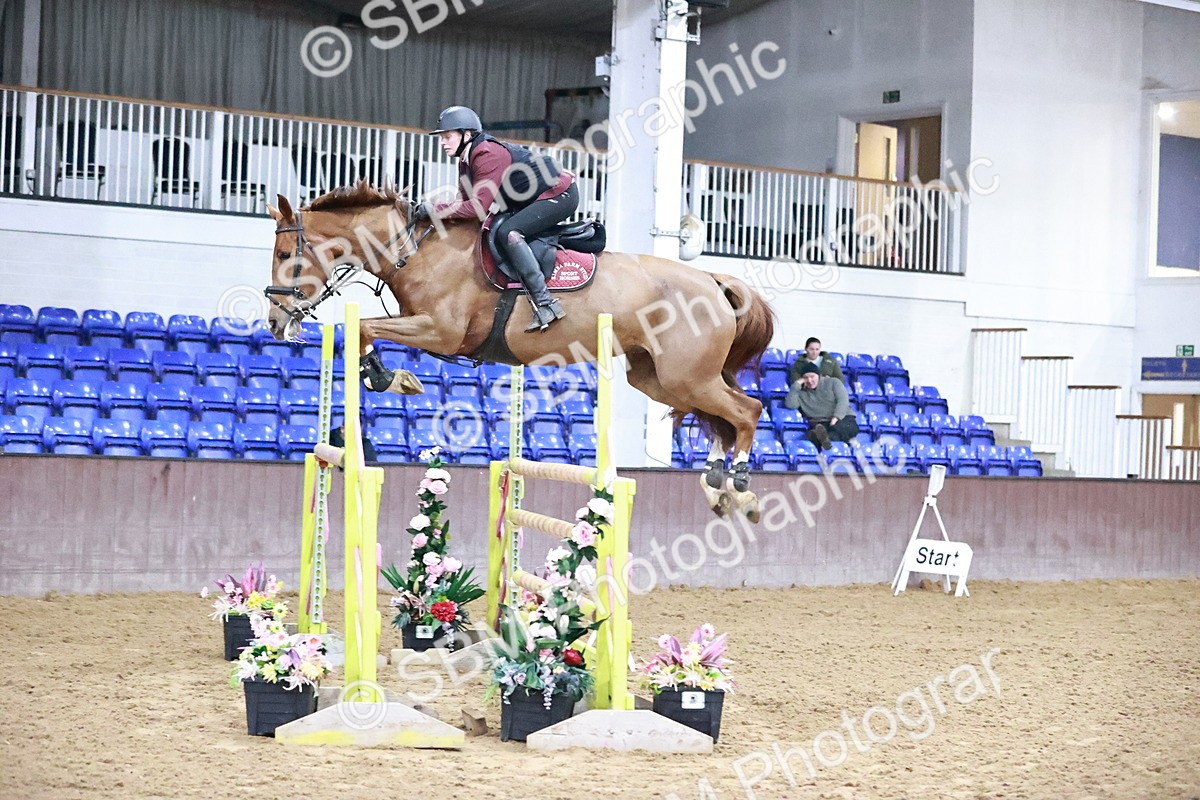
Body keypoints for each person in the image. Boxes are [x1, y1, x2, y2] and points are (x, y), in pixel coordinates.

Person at [416, 105, 579, 332]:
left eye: (447, 137)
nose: (442, 142)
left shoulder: (486, 154)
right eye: (441, 138)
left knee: (509, 232)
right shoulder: (466, 159)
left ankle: (545, 304)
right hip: (527, 197)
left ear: (466, 135)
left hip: (559, 194)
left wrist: (434, 210)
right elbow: (461, 203)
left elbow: (476, 208)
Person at [784, 362, 860, 451]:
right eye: (805, 378)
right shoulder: (801, 393)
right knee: (820, 432)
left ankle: (825, 440)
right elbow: (791, 405)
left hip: (843, 418)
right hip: (822, 422)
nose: (809, 380)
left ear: (819, 376)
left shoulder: (834, 382)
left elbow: (843, 401)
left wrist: (836, 418)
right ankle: (838, 440)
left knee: (845, 428)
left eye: (812, 377)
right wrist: (796, 385)